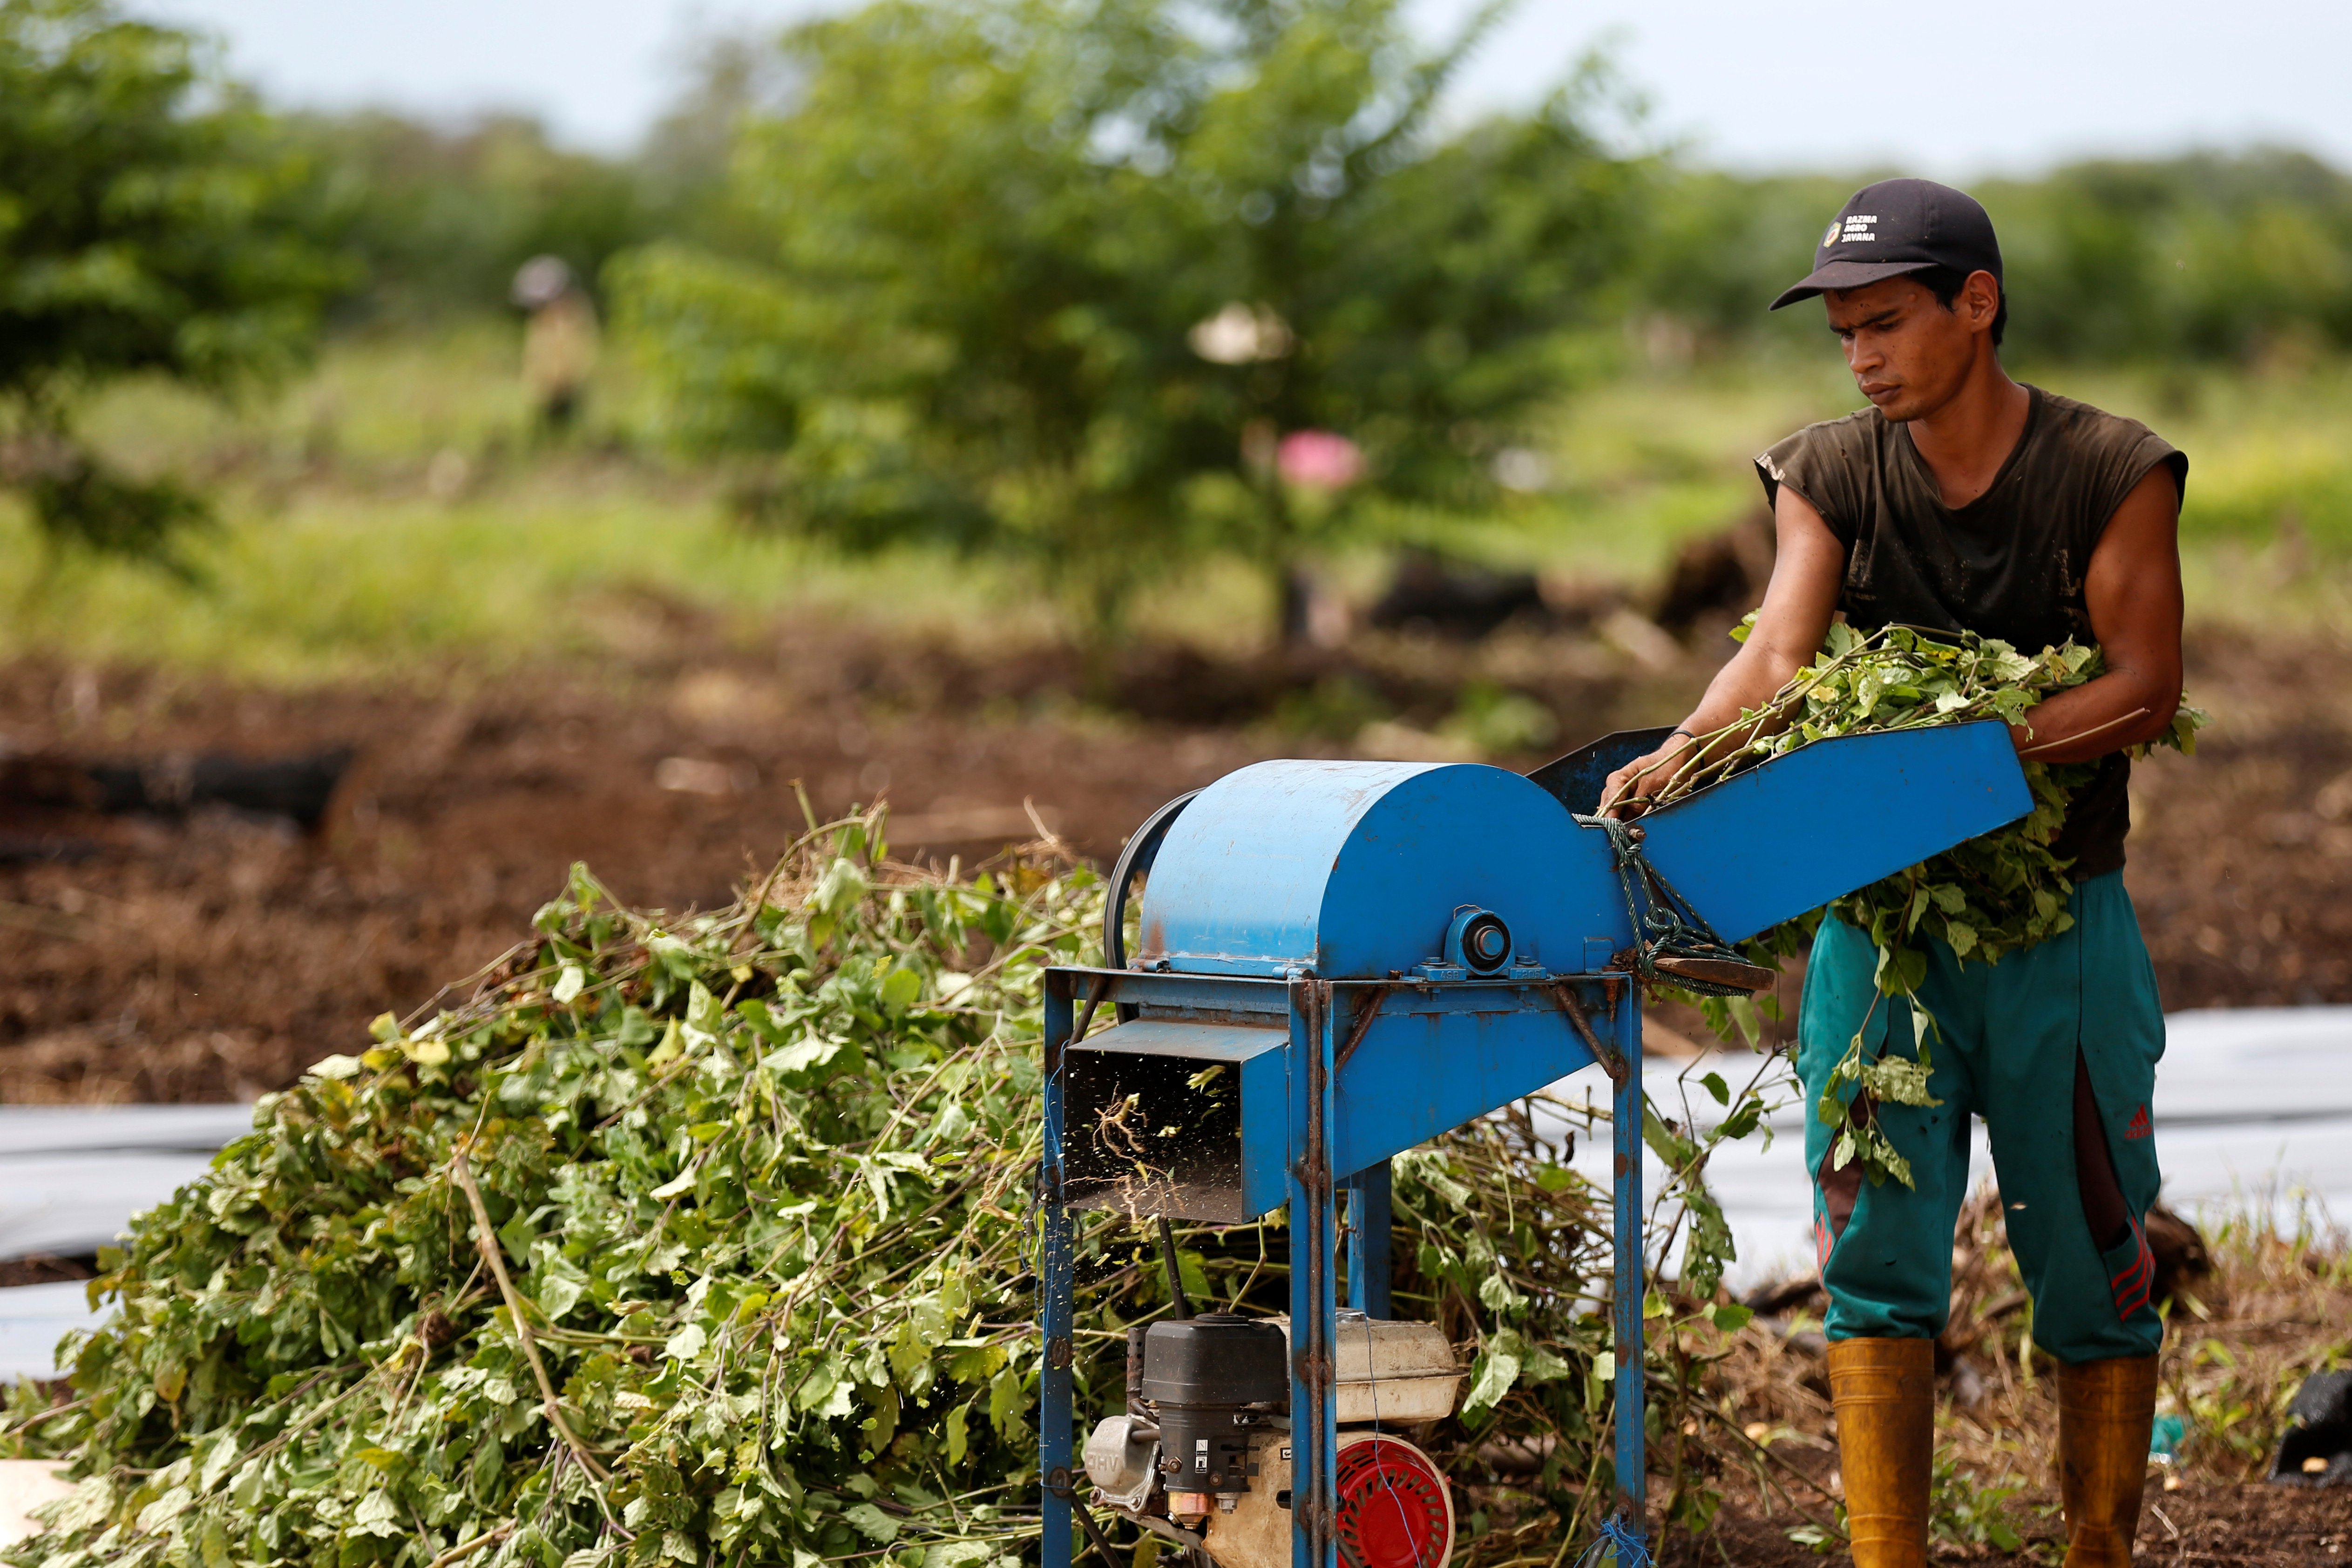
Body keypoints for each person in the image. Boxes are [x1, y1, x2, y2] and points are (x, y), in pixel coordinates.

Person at [1603, 179, 2186, 1568]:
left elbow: (2146, 689)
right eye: (1842, 334)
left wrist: (1969, 762)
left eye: (1885, 323)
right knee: (1872, 1264)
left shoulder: (2110, 469)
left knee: (2095, 1260)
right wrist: (1680, 756)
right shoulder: (1830, 471)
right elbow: (1782, 655)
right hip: (1886, 942)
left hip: (2060, 928)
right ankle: (1885, 1555)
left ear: (1974, 304)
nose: (1860, 355)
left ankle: (2097, 1548)